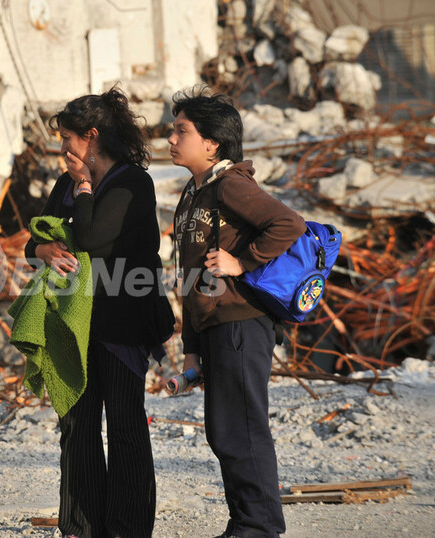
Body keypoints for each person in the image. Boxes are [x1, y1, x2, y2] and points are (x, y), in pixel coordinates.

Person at [23, 87, 174, 538]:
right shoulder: (65, 183)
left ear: (91, 136)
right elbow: (38, 238)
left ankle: (127, 529)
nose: (63, 149)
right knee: (78, 427)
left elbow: (89, 239)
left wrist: (85, 186)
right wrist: (43, 248)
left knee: (126, 429)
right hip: (76, 326)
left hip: (121, 325)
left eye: (68, 138)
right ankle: (82, 527)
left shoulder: (132, 184)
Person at [169, 87, 306, 538]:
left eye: (181, 131)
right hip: (214, 326)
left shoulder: (231, 183)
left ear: (212, 143)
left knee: (242, 427)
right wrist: (191, 350)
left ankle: (259, 526)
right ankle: (246, 523)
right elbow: (189, 277)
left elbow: (288, 224)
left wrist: (242, 262)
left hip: (242, 322)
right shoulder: (194, 193)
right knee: (224, 430)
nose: (171, 139)